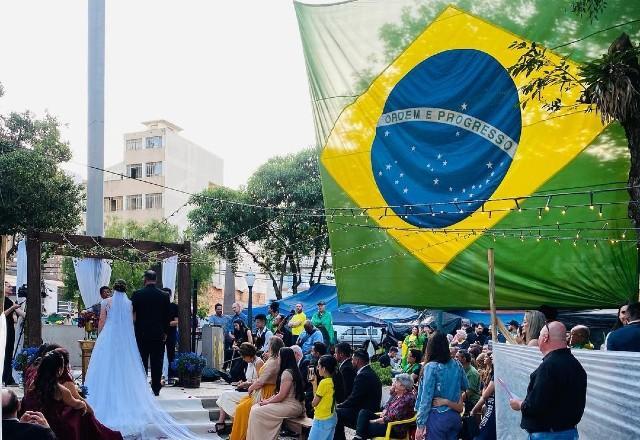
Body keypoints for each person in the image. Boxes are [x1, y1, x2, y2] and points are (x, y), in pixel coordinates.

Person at [84, 279, 200, 439]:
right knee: (125, 367)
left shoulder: (106, 302)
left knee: (105, 366)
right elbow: (132, 321)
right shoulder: (129, 303)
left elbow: (102, 321)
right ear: (125, 289)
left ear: (113, 289)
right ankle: (126, 396)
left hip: (108, 337)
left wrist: (100, 336)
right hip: (124, 339)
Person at [509, 321, 587, 439]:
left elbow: (535, 406)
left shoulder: (549, 367)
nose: (538, 338)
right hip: (569, 432)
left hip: (547, 434)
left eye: (539, 335)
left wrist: (519, 404)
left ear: (545, 338)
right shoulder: (576, 365)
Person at [21, 351, 123, 440]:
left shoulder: (33, 384)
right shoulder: (60, 390)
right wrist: (85, 406)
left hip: (33, 421)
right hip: (54, 426)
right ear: (59, 370)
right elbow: (77, 404)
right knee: (82, 413)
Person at [228, 337, 285, 440]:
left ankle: (240, 436)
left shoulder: (273, 361)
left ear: (272, 347)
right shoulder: (272, 359)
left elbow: (261, 381)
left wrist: (250, 388)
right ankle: (240, 435)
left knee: (242, 408)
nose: (267, 347)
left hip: (267, 392)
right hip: (262, 390)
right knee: (241, 404)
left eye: (269, 345)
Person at [415, 332, 468, 440]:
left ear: (430, 347)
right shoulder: (456, 364)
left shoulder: (431, 367)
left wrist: (420, 425)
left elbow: (426, 397)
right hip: (455, 417)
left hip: (436, 417)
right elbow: (465, 385)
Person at [246, 347, 305, 440]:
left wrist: (267, 402)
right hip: (287, 404)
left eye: (279, 357)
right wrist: (267, 400)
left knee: (257, 411)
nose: (278, 359)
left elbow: (281, 395)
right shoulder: (290, 370)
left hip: (291, 406)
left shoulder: (287, 373)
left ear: (284, 358)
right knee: (255, 408)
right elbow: (279, 394)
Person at [131, 270, 171, 396]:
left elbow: (132, 314)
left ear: (145, 279)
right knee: (157, 361)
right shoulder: (164, 295)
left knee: (141, 360)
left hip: (141, 333)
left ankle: (142, 387)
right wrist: (165, 332)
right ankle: (156, 387)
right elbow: (167, 316)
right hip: (158, 333)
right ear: (156, 280)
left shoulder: (137, 294)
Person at [334, 349, 382, 440]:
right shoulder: (369, 372)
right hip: (368, 410)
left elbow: (354, 399)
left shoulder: (363, 375)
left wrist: (340, 405)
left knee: (336, 413)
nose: (351, 362)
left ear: (357, 361)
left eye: (352, 360)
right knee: (339, 411)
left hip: (364, 413)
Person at [353, 373, 416, 440]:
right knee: (364, 412)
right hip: (386, 420)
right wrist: (385, 409)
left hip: (394, 428)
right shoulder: (397, 394)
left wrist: (374, 421)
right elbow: (388, 404)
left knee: (365, 427)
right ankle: (358, 437)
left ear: (403, 386)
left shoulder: (408, 398)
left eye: (397, 382)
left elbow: (392, 417)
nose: (394, 384)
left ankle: (358, 437)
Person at [218, 342, 264, 424]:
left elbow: (261, 380)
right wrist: (243, 382)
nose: (243, 359)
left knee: (225, 396)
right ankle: (227, 422)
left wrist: (247, 384)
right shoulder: (250, 362)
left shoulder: (258, 362)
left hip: (255, 392)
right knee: (224, 396)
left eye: (243, 357)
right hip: (248, 389)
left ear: (248, 355)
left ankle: (234, 422)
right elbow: (251, 379)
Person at [308, 355, 344, 440]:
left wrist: (314, 384)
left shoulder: (324, 383)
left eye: (319, 366)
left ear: (324, 368)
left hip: (321, 419)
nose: (317, 368)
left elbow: (314, 403)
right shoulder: (335, 380)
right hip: (332, 417)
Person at [470, 351, 495, 440]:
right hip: (490, 408)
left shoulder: (497, 373)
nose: (488, 358)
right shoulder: (491, 372)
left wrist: (474, 410)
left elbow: (485, 395)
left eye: (491, 357)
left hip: (493, 410)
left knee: (481, 435)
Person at [3, 287, 25, 386]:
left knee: (9, 353)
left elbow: (20, 313)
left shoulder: (10, 301)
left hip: (10, 329)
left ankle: (7, 377)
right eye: (8, 285)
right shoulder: (2, 301)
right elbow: (2, 315)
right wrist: (12, 308)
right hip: (3, 329)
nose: (10, 287)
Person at [455, 349, 480, 416]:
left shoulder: (472, 373)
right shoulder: (460, 369)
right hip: (461, 399)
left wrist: (455, 403)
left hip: (470, 401)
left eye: (457, 357)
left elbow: (469, 392)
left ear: (464, 359)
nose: (455, 359)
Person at [162, 287, 179, 380]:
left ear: (170, 296)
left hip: (171, 333)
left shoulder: (174, 306)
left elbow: (177, 321)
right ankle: (159, 375)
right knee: (158, 355)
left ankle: (171, 375)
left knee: (171, 355)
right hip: (160, 333)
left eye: (167, 295)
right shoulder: (157, 307)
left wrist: (165, 323)